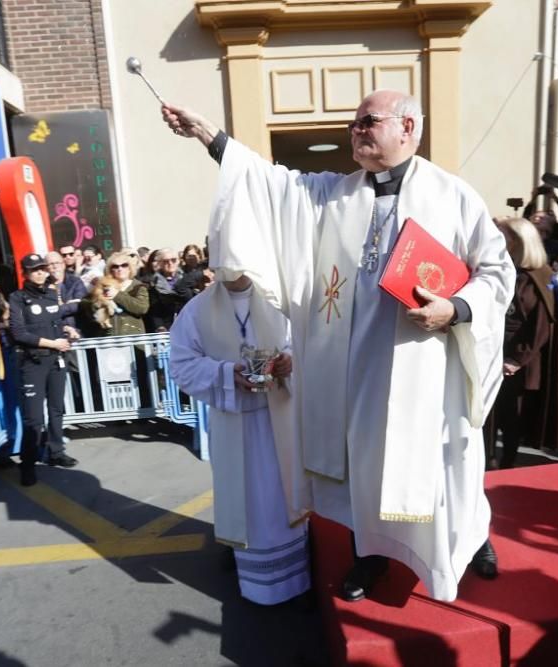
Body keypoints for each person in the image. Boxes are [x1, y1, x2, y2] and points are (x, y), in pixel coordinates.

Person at [162, 89, 514, 603]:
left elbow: (496, 272)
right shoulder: (333, 195)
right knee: (361, 468)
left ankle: (467, 540)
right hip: (353, 371)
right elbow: (269, 185)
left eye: (368, 121)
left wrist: (455, 310)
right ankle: (368, 558)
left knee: (443, 463)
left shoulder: (454, 197)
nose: (356, 130)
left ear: (408, 127)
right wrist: (206, 133)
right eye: (355, 123)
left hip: (425, 364)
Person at [169, 266, 311, 605]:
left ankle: (297, 578)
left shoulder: (277, 300)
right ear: (213, 264)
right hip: (233, 422)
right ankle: (254, 578)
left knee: (281, 497)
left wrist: (290, 360)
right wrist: (224, 373)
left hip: (278, 419)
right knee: (245, 500)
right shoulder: (196, 310)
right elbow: (181, 364)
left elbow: (303, 340)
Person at [485, 218, 558, 469]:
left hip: (518, 359)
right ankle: (487, 460)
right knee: (487, 414)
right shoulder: (499, 268)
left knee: (511, 417)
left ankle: (507, 462)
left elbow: (542, 324)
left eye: (504, 235)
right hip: (491, 351)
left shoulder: (541, 276)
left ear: (520, 241)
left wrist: (517, 359)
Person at [8, 253, 79, 486]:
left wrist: (67, 332)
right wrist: (52, 343)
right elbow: (19, 334)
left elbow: (55, 322)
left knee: (57, 409)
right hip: (33, 363)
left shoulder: (51, 294)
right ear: (25, 273)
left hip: (56, 360)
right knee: (34, 419)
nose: (39, 272)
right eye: (34, 269)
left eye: (42, 268)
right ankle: (28, 464)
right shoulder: (17, 298)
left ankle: (56, 451)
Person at [78, 250, 149, 337]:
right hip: (107, 337)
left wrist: (117, 295)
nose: (120, 269)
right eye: (115, 266)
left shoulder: (138, 286)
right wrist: (98, 303)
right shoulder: (103, 283)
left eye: (124, 265)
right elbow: (85, 303)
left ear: (130, 268)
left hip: (132, 338)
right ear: (110, 270)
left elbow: (142, 308)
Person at [145, 248, 185, 332]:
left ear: (178, 261)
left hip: (186, 325)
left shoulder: (186, 279)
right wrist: (160, 327)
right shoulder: (153, 283)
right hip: (166, 328)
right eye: (165, 261)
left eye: (173, 260)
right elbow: (154, 310)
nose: (170, 263)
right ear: (160, 263)